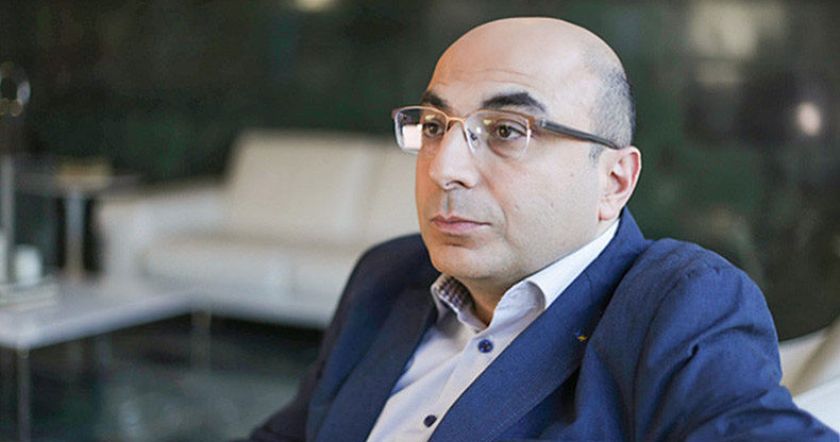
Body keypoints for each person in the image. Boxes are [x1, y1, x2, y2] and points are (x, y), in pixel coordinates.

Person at [247, 17, 837, 441]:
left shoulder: (679, 302)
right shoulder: (388, 274)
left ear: (614, 181)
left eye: (507, 130)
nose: (445, 169)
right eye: (433, 126)